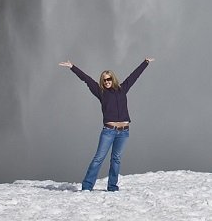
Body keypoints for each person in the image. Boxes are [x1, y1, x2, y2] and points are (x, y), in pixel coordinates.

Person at [60, 58, 152, 191]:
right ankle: (87, 186)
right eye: (104, 80)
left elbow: (134, 76)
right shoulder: (101, 92)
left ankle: (112, 187)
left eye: (108, 79)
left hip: (124, 131)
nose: (107, 82)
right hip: (109, 131)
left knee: (116, 160)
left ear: (112, 79)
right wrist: (72, 67)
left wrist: (145, 63)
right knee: (99, 158)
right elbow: (86, 79)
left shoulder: (122, 89)